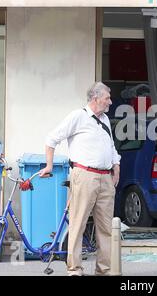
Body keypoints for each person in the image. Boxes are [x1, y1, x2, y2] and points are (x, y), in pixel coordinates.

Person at [39, 82, 121, 276]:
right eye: (107, 98)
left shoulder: (106, 120)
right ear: (95, 98)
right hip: (84, 176)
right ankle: (75, 270)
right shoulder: (78, 116)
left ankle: (104, 271)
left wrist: (116, 165)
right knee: (78, 224)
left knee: (105, 228)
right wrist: (49, 165)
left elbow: (110, 146)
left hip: (105, 178)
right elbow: (51, 139)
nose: (110, 101)